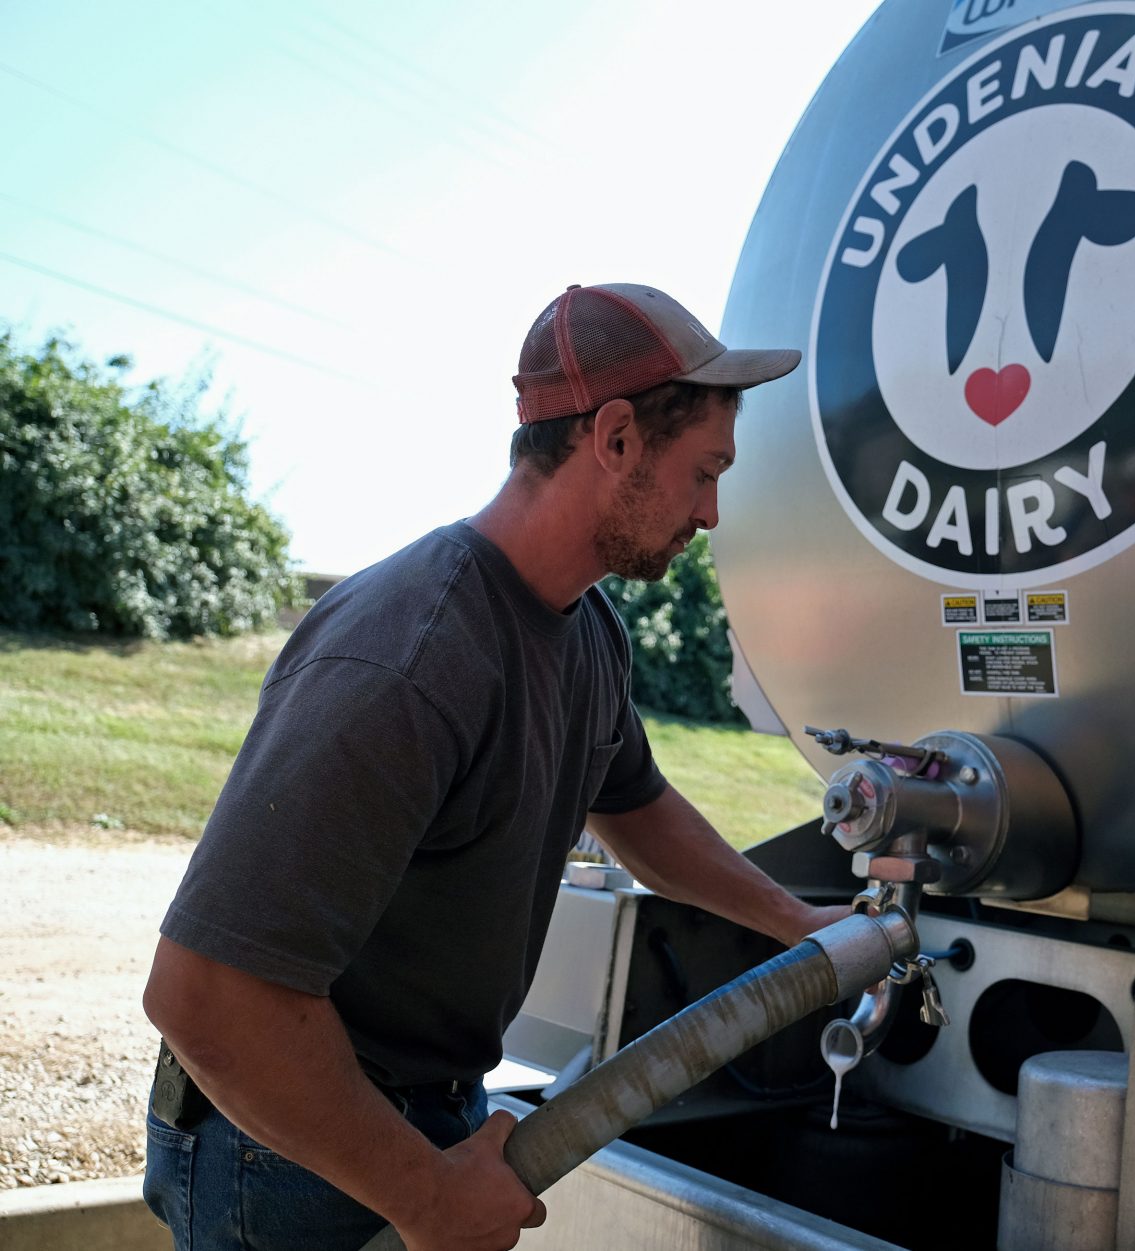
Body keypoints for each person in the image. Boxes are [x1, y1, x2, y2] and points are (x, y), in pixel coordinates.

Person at [141, 283, 846, 1251]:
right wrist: (425, 1196)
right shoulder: (411, 657)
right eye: (704, 472)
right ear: (615, 439)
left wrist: (801, 925)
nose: (713, 513)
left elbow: (637, 807)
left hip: (424, 1113)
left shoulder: (583, 627)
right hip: (293, 1138)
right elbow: (207, 1000)